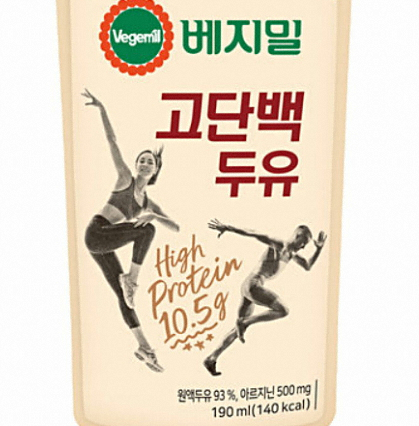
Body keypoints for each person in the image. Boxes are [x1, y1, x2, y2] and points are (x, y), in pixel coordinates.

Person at [82, 89, 179, 373]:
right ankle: (132, 280)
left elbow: (176, 227)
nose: (145, 163)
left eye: (150, 162)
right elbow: (111, 141)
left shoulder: (148, 203)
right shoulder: (125, 178)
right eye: (142, 160)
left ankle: (144, 347)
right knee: (146, 231)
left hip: (105, 245)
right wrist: (102, 109)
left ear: (156, 170)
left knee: (123, 297)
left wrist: (154, 214)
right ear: (136, 166)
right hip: (97, 233)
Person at [203, 218, 326, 376]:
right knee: (283, 310)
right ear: (297, 236)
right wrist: (227, 227)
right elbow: (254, 233)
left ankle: (212, 358)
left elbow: (307, 266)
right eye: (303, 242)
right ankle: (245, 322)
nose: (303, 247)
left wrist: (319, 249)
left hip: (248, 286)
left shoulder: (292, 255)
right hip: (253, 285)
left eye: (306, 245)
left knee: (237, 330)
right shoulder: (278, 244)